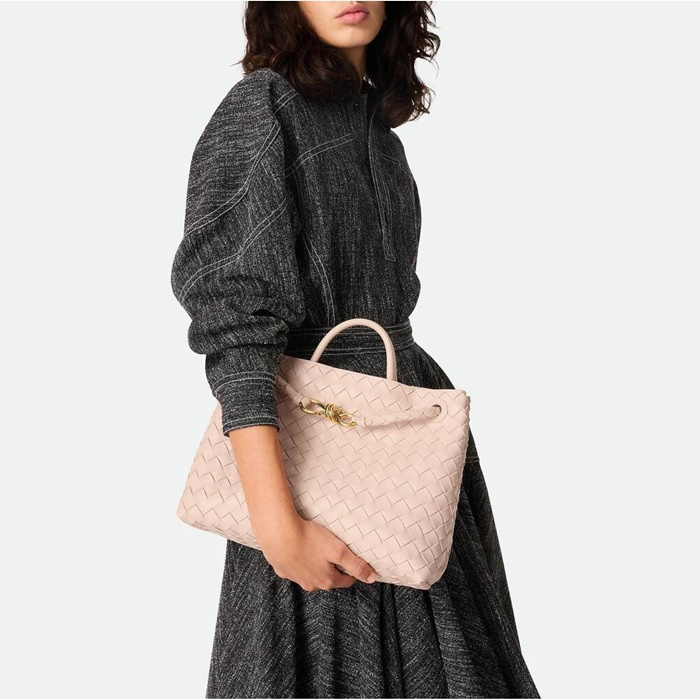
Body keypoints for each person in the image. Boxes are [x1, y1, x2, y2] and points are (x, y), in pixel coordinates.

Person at [170, 1, 540, 697]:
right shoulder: (262, 109)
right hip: (313, 462)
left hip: (405, 455)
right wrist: (278, 527)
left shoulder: (377, 130)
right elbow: (236, 323)